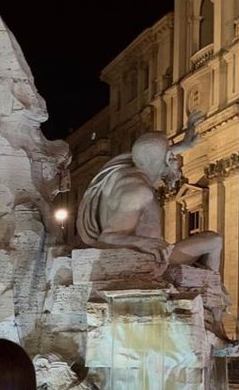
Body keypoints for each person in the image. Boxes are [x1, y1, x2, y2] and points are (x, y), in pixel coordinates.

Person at [76, 111, 222, 272]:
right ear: (166, 158)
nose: (176, 161)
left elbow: (150, 155)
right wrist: (145, 243)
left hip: (153, 251)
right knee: (214, 240)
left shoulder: (124, 172)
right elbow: (107, 237)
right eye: (172, 157)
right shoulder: (139, 192)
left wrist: (183, 145)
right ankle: (212, 289)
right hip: (152, 256)